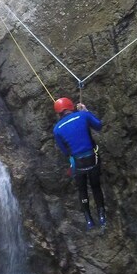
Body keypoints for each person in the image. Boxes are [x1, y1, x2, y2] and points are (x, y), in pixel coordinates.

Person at [52, 97, 106, 230]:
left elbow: (65, 150)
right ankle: (102, 216)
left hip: (78, 163)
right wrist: (87, 111)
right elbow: (99, 125)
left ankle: (89, 220)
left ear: (58, 113)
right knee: (96, 187)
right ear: (71, 107)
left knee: (82, 190)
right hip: (92, 158)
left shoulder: (57, 129)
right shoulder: (83, 115)